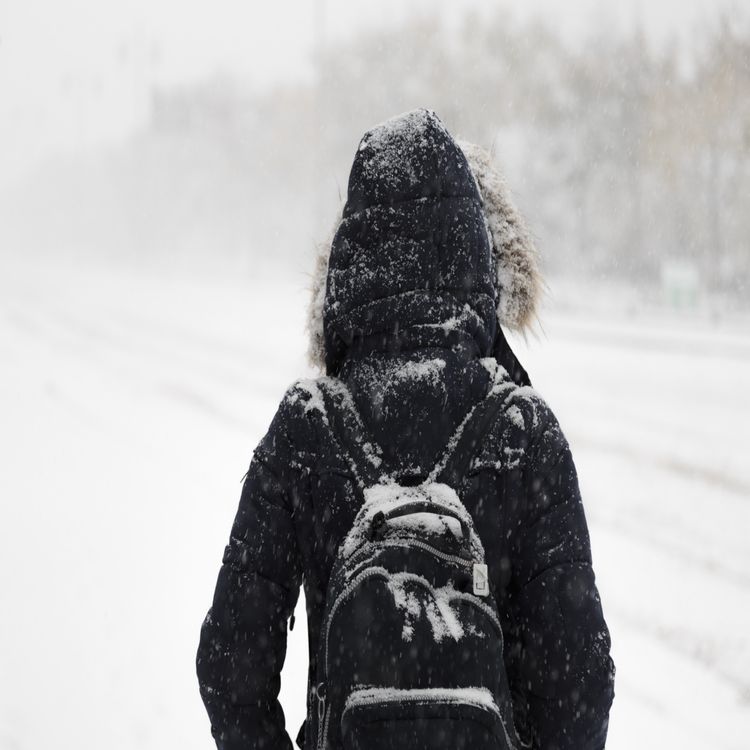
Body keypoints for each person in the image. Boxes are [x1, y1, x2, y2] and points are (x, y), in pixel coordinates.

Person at [196, 109, 615, 750]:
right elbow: (578, 683)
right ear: (476, 253)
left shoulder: (305, 428)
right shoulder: (523, 432)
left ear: (348, 265)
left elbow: (229, 664)